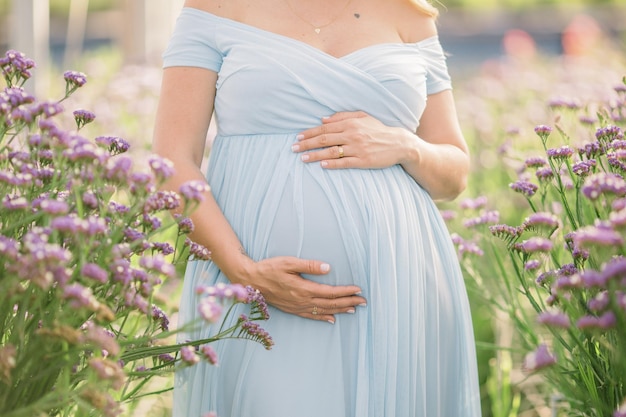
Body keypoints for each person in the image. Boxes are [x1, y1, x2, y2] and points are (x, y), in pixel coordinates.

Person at [152, 0, 481, 415]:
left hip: (397, 285)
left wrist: (406, 145)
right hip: (258, 294)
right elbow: (171, 163)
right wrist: (243, 271)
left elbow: (455, 172)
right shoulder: (215, 7)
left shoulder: (409, 13)